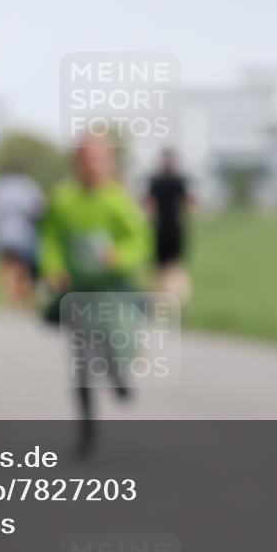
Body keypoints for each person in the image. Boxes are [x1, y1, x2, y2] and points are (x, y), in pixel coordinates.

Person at [39, 132, 151, 457]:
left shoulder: (117, 199)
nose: (94, 165)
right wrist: (54, 267)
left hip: (114, 290)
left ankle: (119, 374)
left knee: (116, 344)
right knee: (82, 363)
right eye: (88, 158)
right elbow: (49, 238)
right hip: (79, 292)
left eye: (101, 158)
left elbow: (140, 240)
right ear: (78, 161)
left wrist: (120, 255)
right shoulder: (63, 199)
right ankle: (86, 435)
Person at [0, 163, 46, 308]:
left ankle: (10, 298)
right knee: (23, 265)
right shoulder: (28, 185)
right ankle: (23, 297)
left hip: (1, 231)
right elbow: (39, 208)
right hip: (23, 231)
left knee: (7, 265)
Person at [145, 148, 194, 302]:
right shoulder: (177, 180)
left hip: (163, 230)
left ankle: (167, 302)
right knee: (171, 269)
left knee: (166, 270)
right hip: (171, 230)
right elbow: (189, 202)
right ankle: (175, 301)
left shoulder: (157, 181)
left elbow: (148, 205)